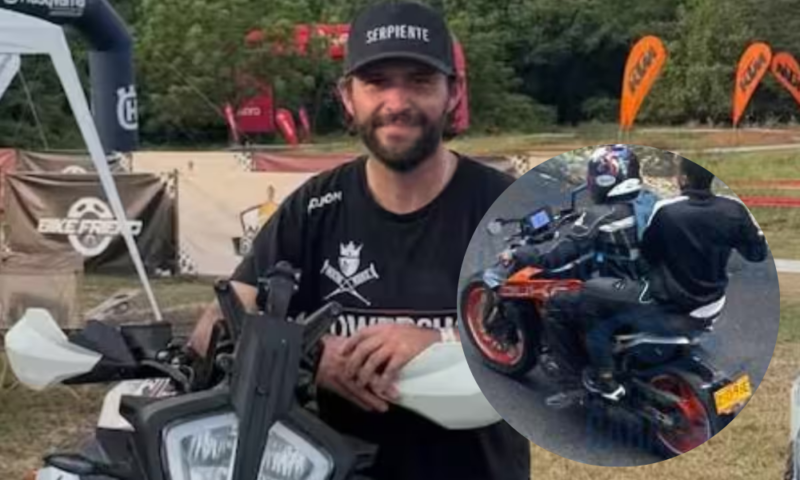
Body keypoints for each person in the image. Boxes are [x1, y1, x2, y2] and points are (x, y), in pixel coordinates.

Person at [188, 2, 531, 479]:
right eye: (376, 82)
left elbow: (569, 344)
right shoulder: (313, 208)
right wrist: (306, 355)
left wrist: (444, 343)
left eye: (419, 81)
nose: (397, 102)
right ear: (348, 97)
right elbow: (212, 329)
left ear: (453, 93)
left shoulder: (507, 208)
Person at [580, 156, 769, 400]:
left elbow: (647, 255)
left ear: (684, 179)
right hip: (711, 306)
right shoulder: (734, 208)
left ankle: (605, 380)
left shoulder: (667, 210)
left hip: (671, 305)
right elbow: (757, 254)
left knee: (591, 297)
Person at [499, 145, 659, 400]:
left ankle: (573, 381)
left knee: (555, 306)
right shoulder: (650, 202)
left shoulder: (599, 217)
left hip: (622, 291)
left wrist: (520, 253)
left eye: (593, 176)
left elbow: (554, 257)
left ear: (605, 180)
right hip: (654, 284)